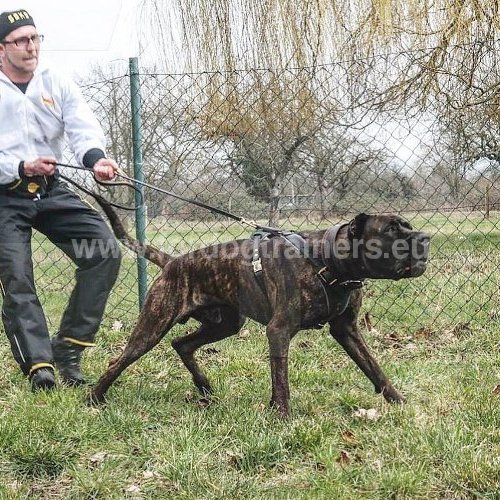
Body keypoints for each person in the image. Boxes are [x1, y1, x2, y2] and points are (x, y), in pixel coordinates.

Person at [0, 9, 122, 391]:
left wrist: (96, 160)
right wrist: (22, 165)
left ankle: (68, 348)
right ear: (2, 48)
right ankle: (40, 367)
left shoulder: (56, 82)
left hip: (51, 191)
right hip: (5, 198)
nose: (31, 46)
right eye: (21, 40)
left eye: (35, 38)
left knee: (103, 250)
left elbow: (81, 127)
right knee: (17, 278)